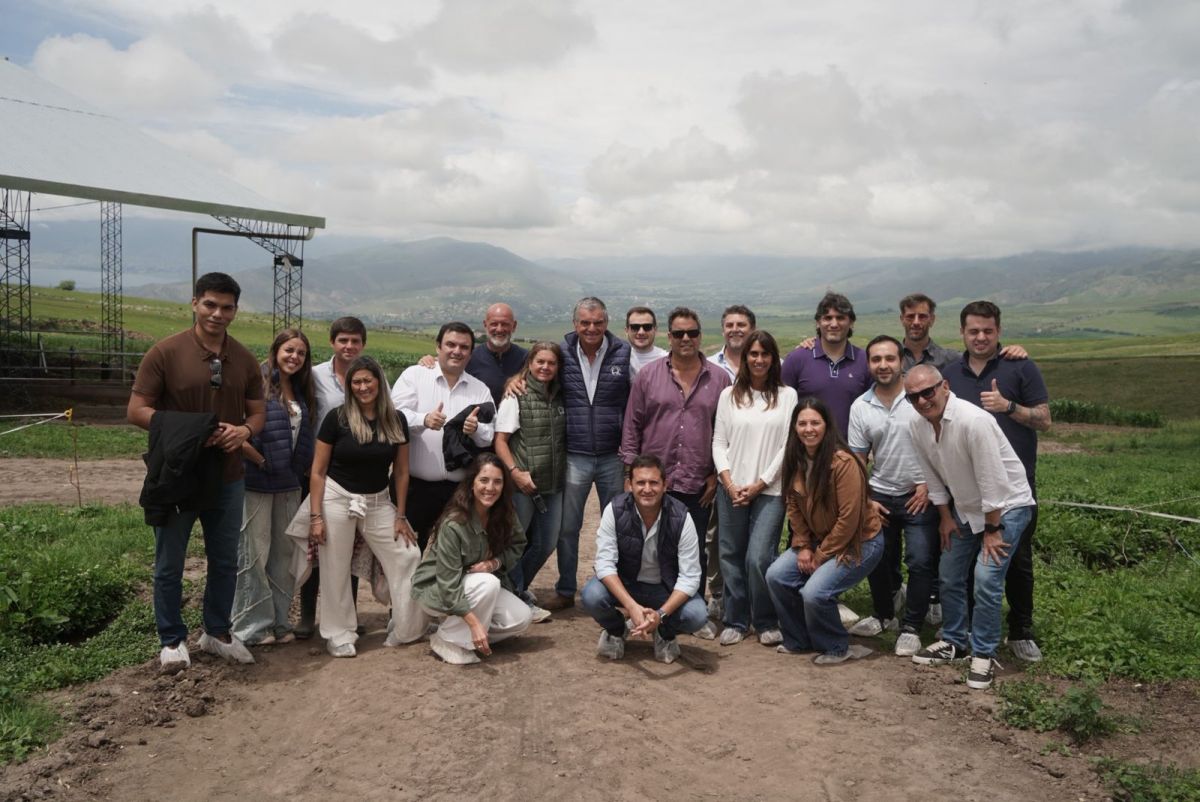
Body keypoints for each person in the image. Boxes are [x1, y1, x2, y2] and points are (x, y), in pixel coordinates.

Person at [128, 271, 265, 670]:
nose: (217, 314)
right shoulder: (165, 353)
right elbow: (136, 410)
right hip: (178, 474)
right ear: (194, 303)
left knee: (225, 560)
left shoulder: (244, 359)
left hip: (228, 474)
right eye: (210, 305)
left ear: (235, 311)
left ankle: (217, 632)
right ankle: (171, 639)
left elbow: (257, 414)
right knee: (170, 562)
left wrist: (243, 431)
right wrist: (192, 431)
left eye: (227, 307)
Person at [904, 365, 1037, 689]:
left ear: (945, 386)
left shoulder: (973, 421)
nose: (921, 401)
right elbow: (931, 474)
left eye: (927, 392)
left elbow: (993, 481)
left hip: (1006, 507)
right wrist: (945, 517)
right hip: (965, 508)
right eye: (913, 397)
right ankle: (954, 640)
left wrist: (992, 531)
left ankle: (984, 652)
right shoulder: (916, 425)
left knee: (986, 577)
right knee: (949, 572)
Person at [946, 300, 1050, 663]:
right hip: (969, 490)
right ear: (962, 332)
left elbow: (1044, 420)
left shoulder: (1020, 366)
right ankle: (971, 628)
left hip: (1014, 488)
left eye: (988, 331)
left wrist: (1009, 407)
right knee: (969, 562)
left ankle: (1021, 630)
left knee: (1017, 559)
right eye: (973, 331)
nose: (980, 337)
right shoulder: (950, 373)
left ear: (999, 331)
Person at [308, 356, 425, 658]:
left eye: (367, 381)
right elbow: (318, 471)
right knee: (335, 567)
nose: (362, 387)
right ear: (350, 387)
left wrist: (401, 515)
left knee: (407, 555)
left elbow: (401, 472)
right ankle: (339, 633)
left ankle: (407, 626)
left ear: (379, 383)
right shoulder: (337, 418)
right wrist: (316, 516)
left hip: (377, 500)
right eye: (356, 382)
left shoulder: (395, 419)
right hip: (337, 498)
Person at [620, 306, 730, 611]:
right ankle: (646, 606)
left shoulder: (720, 380)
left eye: (692, 333)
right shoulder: (648, 376)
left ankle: (692, 607)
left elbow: (726, 432)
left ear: (700, 336)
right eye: (679, 333)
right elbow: (632, 426)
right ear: (669, 336)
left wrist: (716, 474)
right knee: (647, 545)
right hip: (653, 481)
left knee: (694, 546)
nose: (686, 338)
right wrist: (629, 475)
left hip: (698, 480)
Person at [764, 398, 883, 664]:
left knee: (814, 593)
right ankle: (798, 639)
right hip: (818, 539)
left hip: (860, 541)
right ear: (794, 427)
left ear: (827, 426)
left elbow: (849, 519)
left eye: (815, 423)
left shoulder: (844, 463)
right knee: (776, 576)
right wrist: (804, 546)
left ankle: (836, 647)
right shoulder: (795, 459)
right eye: (802, 423)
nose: (809, 429)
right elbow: (793, 506)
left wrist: (819, 556)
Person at [846, 335, 938, 655]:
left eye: (889, 358)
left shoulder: (919, 399)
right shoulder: (861, 406)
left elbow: (940, 442)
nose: (883, 365)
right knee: (878, 560)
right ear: (868, 364)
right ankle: (885, 615)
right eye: (876, 359)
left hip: (919, 494)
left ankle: (912, 627)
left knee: (920, 560)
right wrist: (866, 499)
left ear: (902, 362)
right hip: (880, 494)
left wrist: (929, 484)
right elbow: (858, 460)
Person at [543, 297, 631, 611]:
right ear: (575, 324)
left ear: (606, 323)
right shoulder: (562, 353)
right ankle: (566, 588)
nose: (591, 328)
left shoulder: (624, 352)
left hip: (612, 456)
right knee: (568, 527)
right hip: (574, 454)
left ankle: (614, 589)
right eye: (585, 322)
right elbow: (534, 374)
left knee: (616, 526)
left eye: (597, 322)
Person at [231, 328, 316, 646]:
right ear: (276, 350)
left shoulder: (301, 389)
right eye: (289, 350)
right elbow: (236, 428)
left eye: (301, 353)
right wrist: (259, 459)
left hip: (289, 484)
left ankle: (280, 621)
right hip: (257, 481)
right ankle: (252, 626)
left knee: (283, 555)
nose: (295, 357)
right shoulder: (257, 382)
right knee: (255, 554)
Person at [712, 330, 796, 646]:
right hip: (731, 488)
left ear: (774, 359)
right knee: (730, 554)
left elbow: (788, 445)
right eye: (753, 354)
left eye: (765, 354)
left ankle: (764, 620)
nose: (759, 360)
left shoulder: (787, 396)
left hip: (770, 491)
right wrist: (728, 482)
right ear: (745, 357)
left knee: (759, 557)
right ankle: (736, 619)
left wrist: (761, 483)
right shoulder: (729, 395)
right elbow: (719, 442)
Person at [580, 454, 708, 664]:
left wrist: (661, 614)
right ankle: (617, 630)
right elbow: (604, 564)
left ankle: (664, 633)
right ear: (629, 485)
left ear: (665, 485)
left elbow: (690, 577)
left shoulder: (682, 517)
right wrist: (631, 606)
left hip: (665, 589)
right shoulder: (614, 510)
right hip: (627, 584)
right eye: (640, 482)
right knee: (591, 595)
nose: (647, 489)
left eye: (654, 483)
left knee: (697, 615)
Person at [411, 454, 534, 665]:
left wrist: (494, 563)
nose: (490, 488)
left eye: (497, 482)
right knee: (488, 582)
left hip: (478, 587)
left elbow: (518, 544)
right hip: (439, 589)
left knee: (521, 618)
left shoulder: (505, 513)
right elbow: (448, 585)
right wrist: (475, 624)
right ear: (471, 483)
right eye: (484, 480)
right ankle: (448, 640)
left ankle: (457, 633)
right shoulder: (454, 523)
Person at [392, 321, 495, 551]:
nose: (457, 351)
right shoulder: (414, 376)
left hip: (457, 492)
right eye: (451, 344)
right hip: (415, 489)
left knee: (450, 554)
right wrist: (424, 419)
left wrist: (476, 429)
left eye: (464, 347)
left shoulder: (480, 389)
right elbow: (393, 416)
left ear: (471, 353)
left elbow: (489, 436)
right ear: (438, 346)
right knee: (407, 555)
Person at [300, 316, 369, 639]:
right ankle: (307, 615)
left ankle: (348, 614)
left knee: (348, 546)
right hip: (317, 471)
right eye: (343, 340)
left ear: (363, 344)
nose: (349, 346)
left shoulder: (370, 377)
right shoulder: (314, 376)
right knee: (316, 543)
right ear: (332, 342)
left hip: (353, 475)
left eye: (355, 341)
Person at [493, 342, 566, 622]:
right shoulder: (516, 395)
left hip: (552, 485)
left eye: (551, 363)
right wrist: (515, 472)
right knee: (515, 542)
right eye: (540, 362)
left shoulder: (559, 395)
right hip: (523, 485)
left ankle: (514, 589)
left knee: (546, 543)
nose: (545, 367)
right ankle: (517, 595)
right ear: (530, 364)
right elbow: (500, 441)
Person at [703, 303, 756, 621]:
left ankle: (751, 595)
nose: (735, 330)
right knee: (716, 535)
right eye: (730, 325)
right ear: (723, 329)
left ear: (752, 329)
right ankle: (719, 593)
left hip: (758, 466)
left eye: (742, 325)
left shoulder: (770, 364)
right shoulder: (709, 367)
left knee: (754, 536)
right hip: (719, 464)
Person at [781, 292, 870, 438]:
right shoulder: (796, 359)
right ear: (818, 322)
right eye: (827, 318)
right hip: (805, 449)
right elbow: (782, 408)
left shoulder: (865, 360)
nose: (834, 324)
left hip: (851, 449)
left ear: (851, 323)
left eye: (840, 318)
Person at [899, 293, 1027, 371]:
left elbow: (983, 354)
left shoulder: (951, 359)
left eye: (922, 316)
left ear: (932, 320)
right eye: (910, 316)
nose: (916, 322)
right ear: (902, 319)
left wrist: (1013, 350)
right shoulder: (891, 358)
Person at [467, 303, 528, 405]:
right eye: (494, 324)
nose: (499, 329)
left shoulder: (527, 359)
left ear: (514, 326)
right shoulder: (469, 359)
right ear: (485, 325)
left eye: (505, 324)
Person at [625, 306, 667, 377]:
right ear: (626, 331)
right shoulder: (617, 360)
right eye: (635, 327)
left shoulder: (667, 361)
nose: (641, 332)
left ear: (655, 330)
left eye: (647, 327)